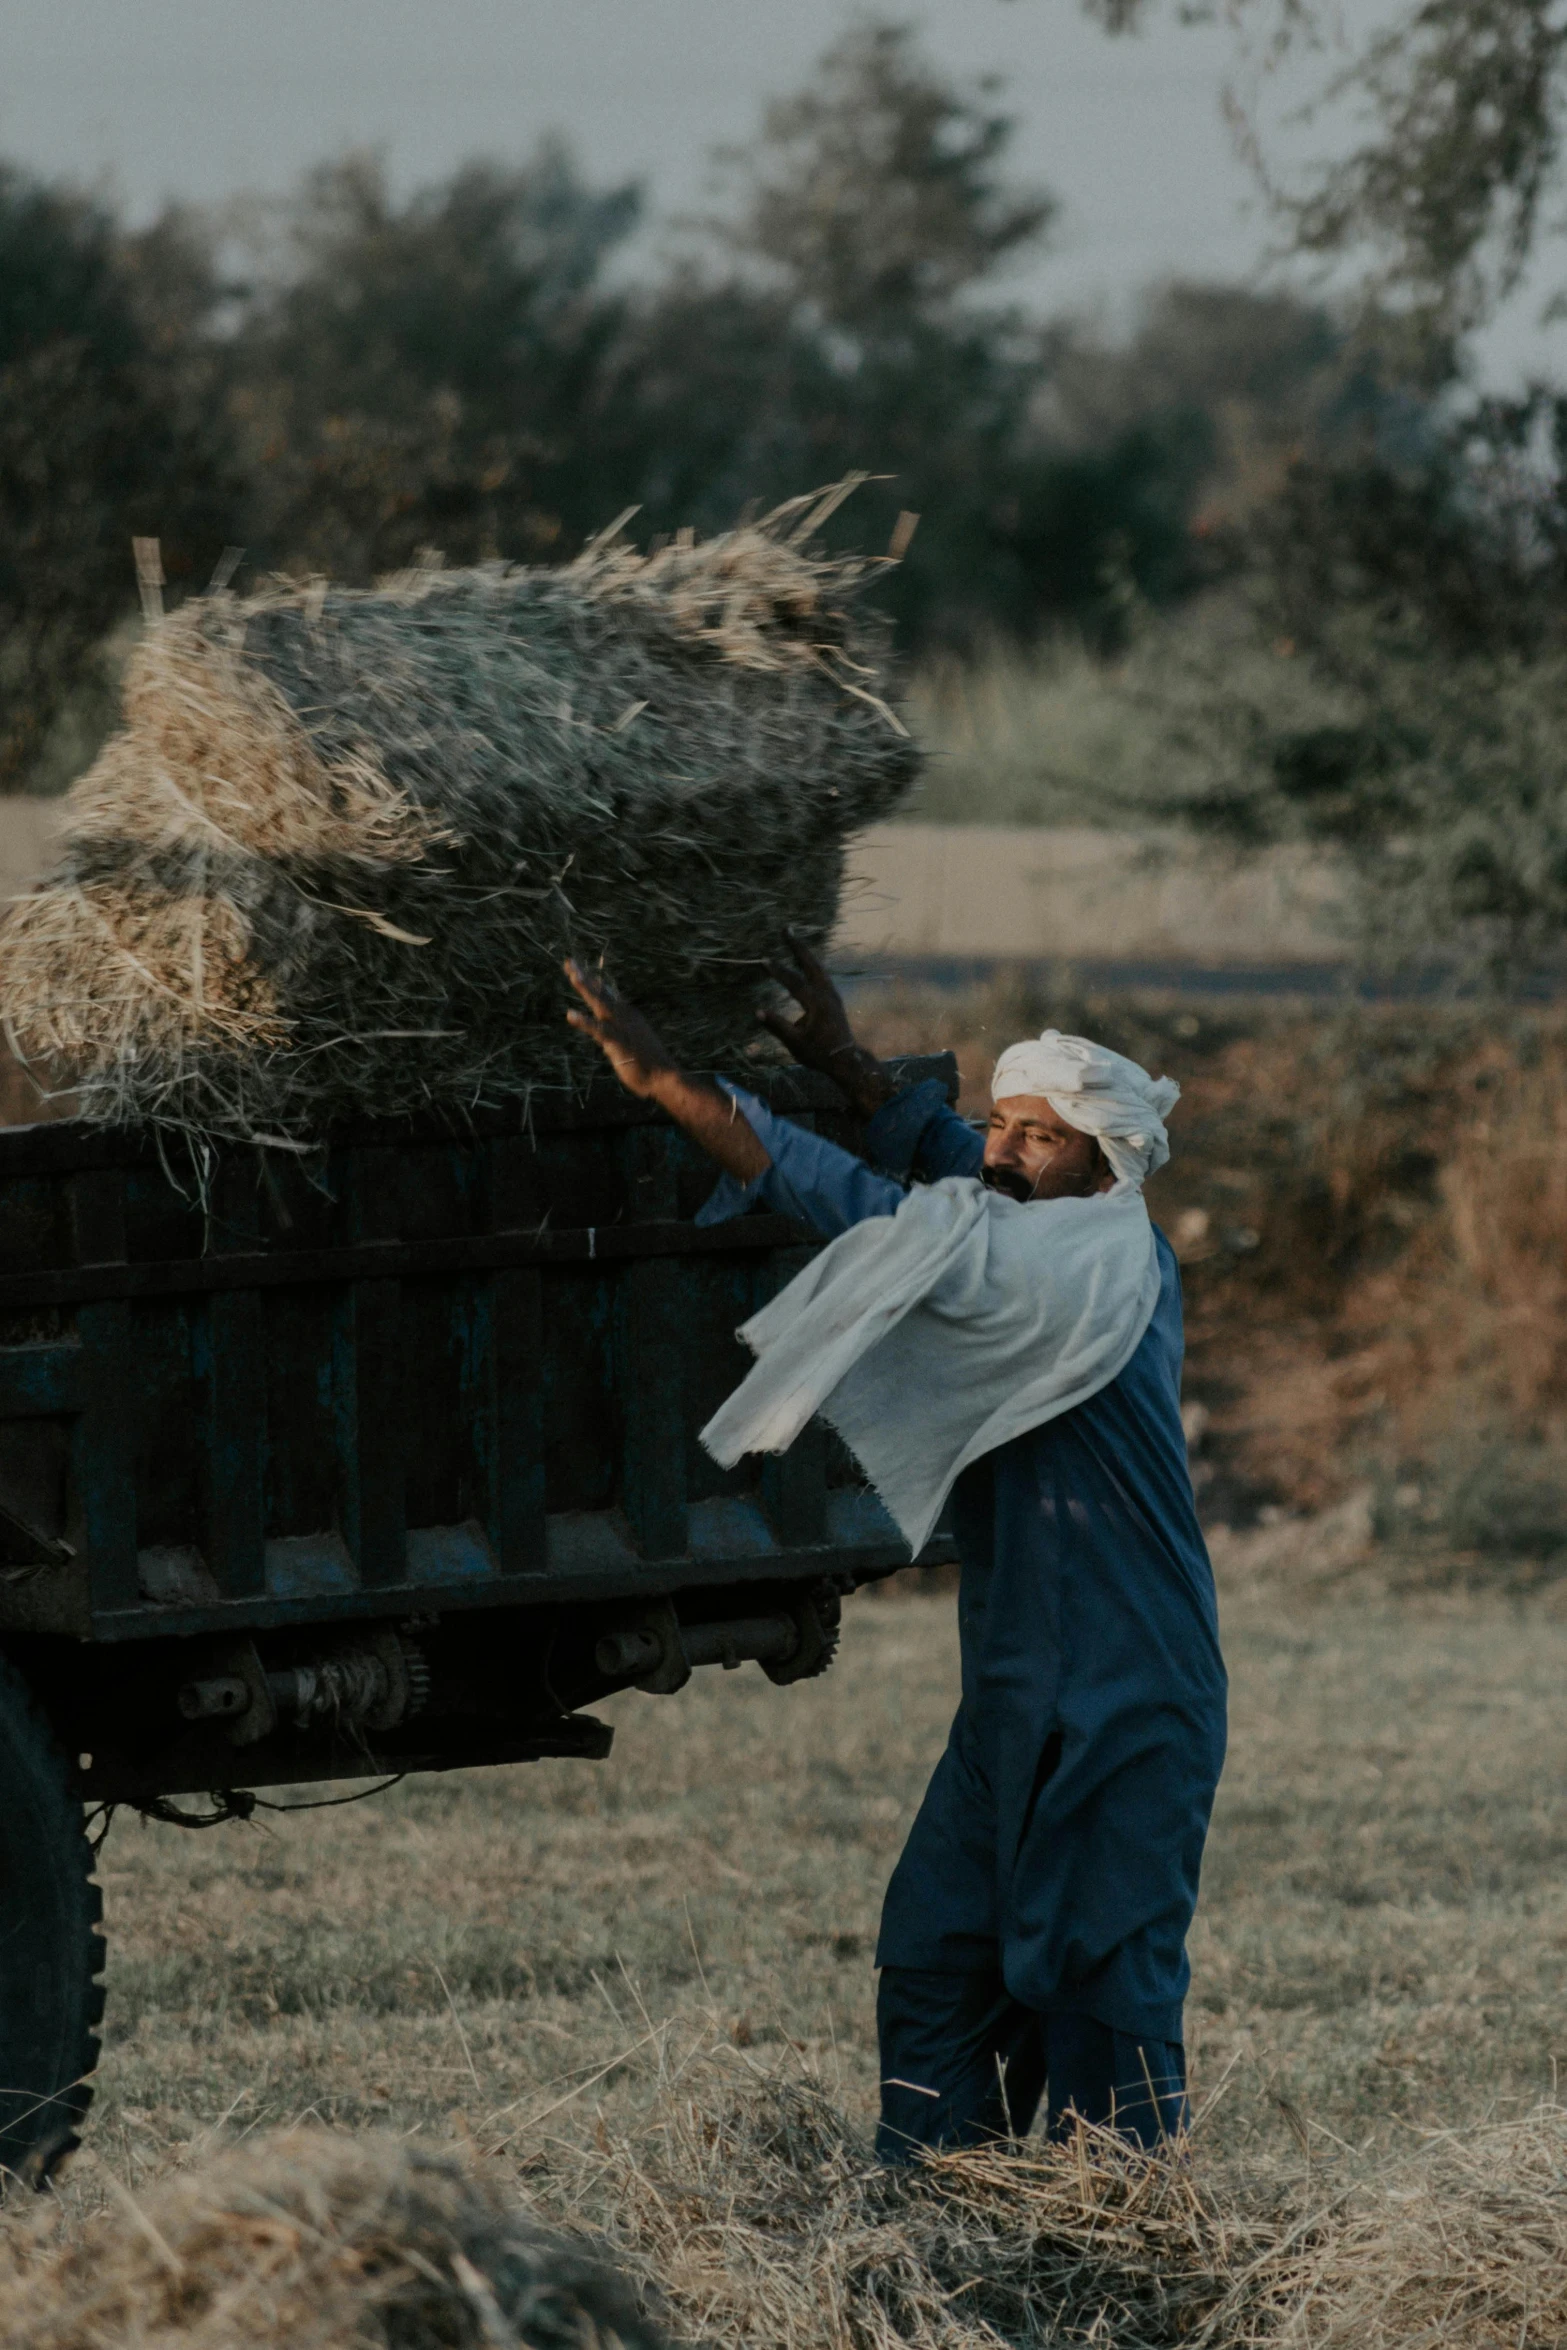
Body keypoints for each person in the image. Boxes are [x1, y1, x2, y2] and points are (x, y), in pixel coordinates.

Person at [563, 941, 1227, 2158]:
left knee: (1102, 1983)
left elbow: (867, 1208)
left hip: (1128, 1692)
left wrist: (670, 1085)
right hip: (1023, 1682)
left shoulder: (1082, 1267)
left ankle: (1119, 2240)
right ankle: (930, 2217)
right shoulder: (1057, 1231)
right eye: (1000, 1121)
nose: (1003, 1147)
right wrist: (842, 1060)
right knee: (935, 1951)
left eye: (1039, 1134)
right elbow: (954, 1171)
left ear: (1103, 1158)